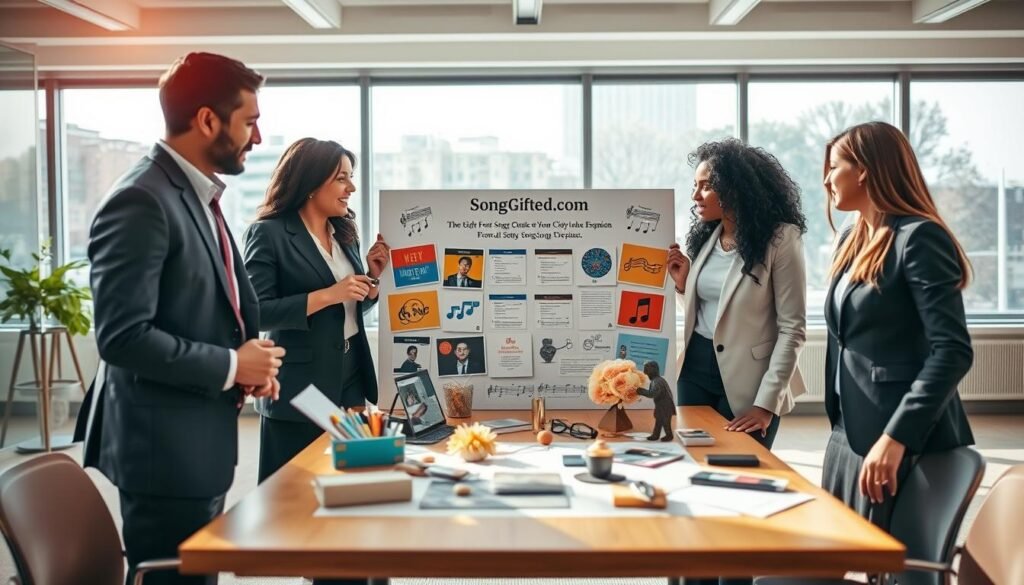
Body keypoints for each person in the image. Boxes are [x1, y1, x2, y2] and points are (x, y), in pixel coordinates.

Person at [74, 52, 284, 585]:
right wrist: (232, 366)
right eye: (250, 121)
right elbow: (123, 338)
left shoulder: (193, 194)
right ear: (208, 119)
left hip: (194, 436)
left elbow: (208, 304)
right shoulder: (141, 201)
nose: (257, 138)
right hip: (161, 449)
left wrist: (248, 367)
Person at [821, 121, 974, 535]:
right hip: (848, 430)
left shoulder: (920, 238)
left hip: (901, 438)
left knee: (897, 566)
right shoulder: (852, 239)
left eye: (834, 167)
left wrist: (896, 437)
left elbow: (953, 351)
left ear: (865, 170)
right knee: (833, 553)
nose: (826, 179)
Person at [666, 139, 808, 585]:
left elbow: (793, 328)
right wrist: (684, 283)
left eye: (705, 186)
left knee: (738, 495)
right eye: (695, 186)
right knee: (692, 485)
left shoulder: (781, 239)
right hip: (695, 373)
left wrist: (766, 404)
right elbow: (714, 309)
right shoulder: (707, 236)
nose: (695, 196)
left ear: (733, 187)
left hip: (751, 384)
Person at [243, 138, 390, 485]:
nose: (351, 187)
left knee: (352, 475)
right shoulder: (268, 234)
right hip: (300, 385)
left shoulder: (345, 234)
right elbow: (257, 311)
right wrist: (328, 295)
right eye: (342, 178)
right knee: (292, 490)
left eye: (350, 178)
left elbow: (349, 309)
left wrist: (371, 279)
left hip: (351, 374)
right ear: (311, 182)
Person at [637, 361, 674, 441]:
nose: (646, 375)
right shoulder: (658, 380)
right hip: (662, 405)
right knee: (659, 420)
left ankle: (669, 435)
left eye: (647, 372)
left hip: (665, 406)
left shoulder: (657, 382)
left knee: (665, 422)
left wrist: (640, 391)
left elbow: (652, 394)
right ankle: (655, 435)